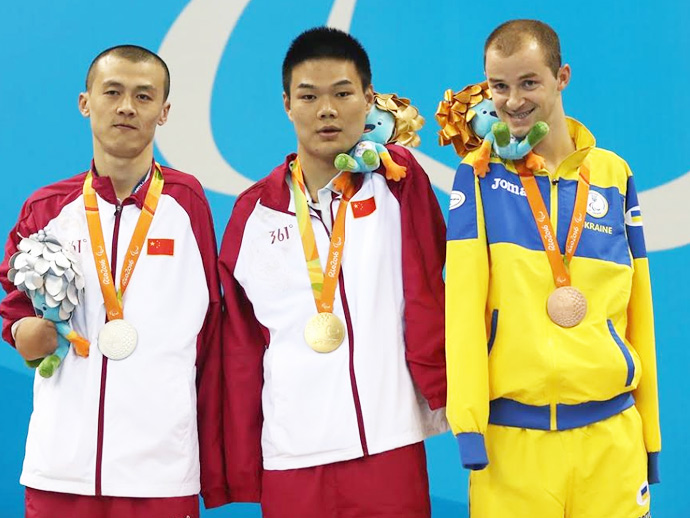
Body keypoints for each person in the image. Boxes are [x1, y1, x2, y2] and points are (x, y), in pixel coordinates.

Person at [219, 27, 447, 518]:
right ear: (287, 104)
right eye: (309, 96)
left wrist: (447, 391)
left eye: (343, 94)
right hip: (293, 456)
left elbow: (431, 290)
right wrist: (240, 457)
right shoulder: (254, 215)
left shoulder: (399, 185)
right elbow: (241, 348)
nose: (327, 110)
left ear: (369, 99)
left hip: (389, 443)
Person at [445, 19, 661, 518]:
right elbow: (462, 310)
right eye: (499, 86)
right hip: (512, 446)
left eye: (529, 82)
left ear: (562, 77)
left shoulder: (613, 174)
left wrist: (650, 434)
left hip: (612, 440)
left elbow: (641, 310)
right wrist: (469, 425)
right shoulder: (478, 176)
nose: (513, 101)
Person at [0, 45, 225, 518]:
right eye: (113, 92)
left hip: (161, 469)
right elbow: (16, 304)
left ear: (164, 112)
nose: (127, 107)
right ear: (86, 103)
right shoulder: (47, 208)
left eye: (143, 96)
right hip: (61, 467)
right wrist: (22, 331)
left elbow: (208, 327)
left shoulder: (186, 203)